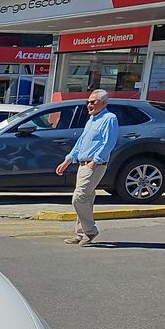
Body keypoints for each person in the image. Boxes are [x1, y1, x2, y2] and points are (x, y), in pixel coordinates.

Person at [55, 89, 118, 246]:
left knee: (79, 198)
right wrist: (68, 160)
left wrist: (95, 161)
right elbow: (81, 142)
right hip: (83, 164)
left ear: (103, 103)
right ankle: (81, 234)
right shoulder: (91, 120)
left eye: (93, 102)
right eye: (88, 102)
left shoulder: (109, 118)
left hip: (94, 165)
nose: (89, 105)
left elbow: (109, 142)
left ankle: (90, 231)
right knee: (86, 199)